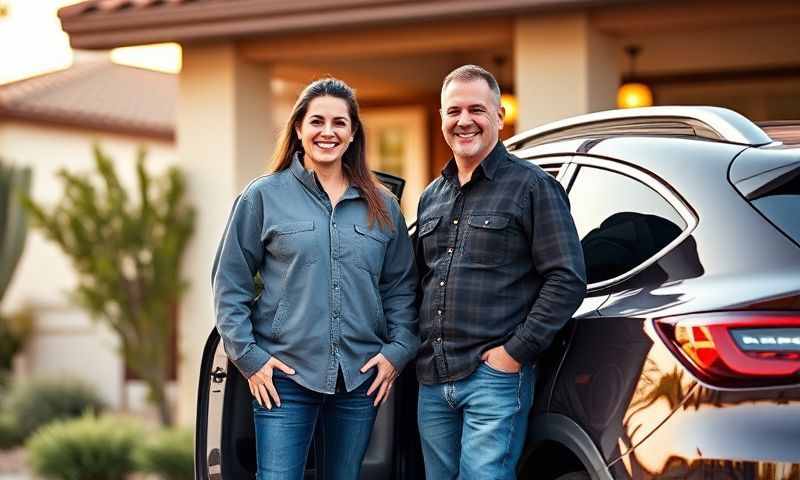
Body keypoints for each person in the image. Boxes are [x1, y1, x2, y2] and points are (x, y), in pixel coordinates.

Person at [212, 77, 418, 480]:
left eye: (340, 123)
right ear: (299, 129)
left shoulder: (384, 205)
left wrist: (397, 351)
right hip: (283, 377)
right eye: (317, 121)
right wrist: (251, 359)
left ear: (353, 133)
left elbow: (401, 288)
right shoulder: (262, 197)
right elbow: (229, 283)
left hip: (360, 378)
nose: (328, 132)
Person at [414, 65, 587, 479]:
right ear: (442, 118)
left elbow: (567, 278)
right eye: (453, 111)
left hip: (493, 378)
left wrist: (513, 355)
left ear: (499, 116)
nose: (464, 121)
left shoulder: (532, 187)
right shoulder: (430, 198)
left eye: (477, 109)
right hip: (433, 381)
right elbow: (420, 281)